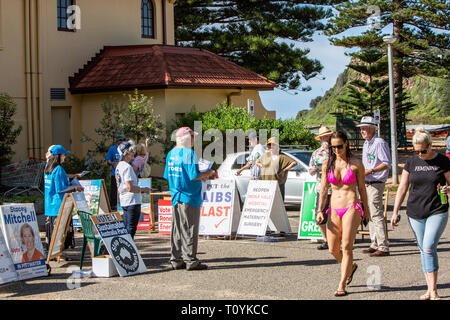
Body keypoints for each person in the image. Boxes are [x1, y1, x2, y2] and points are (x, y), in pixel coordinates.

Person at [391, 127, 450, 300]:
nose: (420, 154)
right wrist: (395, 212)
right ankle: (429, 288)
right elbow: (402, 188)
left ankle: (433, 291)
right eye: (416, 151)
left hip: (437, 210)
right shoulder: (411, 162)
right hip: (415, 212)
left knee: (428, 246)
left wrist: (448, 189)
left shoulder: (442, 161)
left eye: (423, 150)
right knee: (423, 250)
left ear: (430, 145)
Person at [316, 131, 370, 297]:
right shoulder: (327, 163)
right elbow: (324, 189)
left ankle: (341, 284)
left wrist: (366, 210)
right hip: (334, 208)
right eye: (333, 147)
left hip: (351, 206)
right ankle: (351, 267)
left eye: (339, 146)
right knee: (333, 249)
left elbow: (361, 188)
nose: (337, 150)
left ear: (346, 143)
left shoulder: (356, 164)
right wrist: (320, 209)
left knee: (346, 246)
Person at [164, 127, 214, 271]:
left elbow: (168, 175)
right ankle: (190, 260)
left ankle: (176, 259)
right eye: (192, 137)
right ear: (186, 138)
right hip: (189, 196)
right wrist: (207, 173)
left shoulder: (171, 154)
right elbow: (193, 175)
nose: (193, 140)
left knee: (177, 229)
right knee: (190, 228)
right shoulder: (189, 154)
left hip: (176, 195)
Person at [357, 116, 391, 257]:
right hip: (367, 182)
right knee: (369, 213)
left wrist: (370, 171)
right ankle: (374, 242)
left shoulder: (379, 143)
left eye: (365, 128)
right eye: (361, 129)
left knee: (376, 213)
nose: (362, 131)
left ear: (372, 128)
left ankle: (383, 245)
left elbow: (386, 163)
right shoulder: (367, 144)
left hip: (376, 182)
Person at [44, 145, 84, 257]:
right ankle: (58, 256)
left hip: (49, 205)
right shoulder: (58, 169)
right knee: (59, 233)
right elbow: (60, 188)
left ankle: (54, 255)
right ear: (58, 156)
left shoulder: (48, 168)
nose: (65, 157)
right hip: (59, 205)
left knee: (52, 233)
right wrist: (74, 187)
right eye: (63, 155)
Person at [115, 140, 150, 239]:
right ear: (126, 153)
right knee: (131, 228)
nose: (133, 153)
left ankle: (126, 250)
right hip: (132, 201)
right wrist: (143, 189)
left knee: (126, 228)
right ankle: (128, 250)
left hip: (124, 200)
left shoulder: (119, 166)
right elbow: (130, 187)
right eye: (131, 151)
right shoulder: (127, 167)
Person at [309, 126, 332, 250]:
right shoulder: (316, 153)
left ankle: (337, 240)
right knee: (320, 215)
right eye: (324, 136)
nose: (326, 138)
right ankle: (326, 240)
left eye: (327, 136)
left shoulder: (337, 151)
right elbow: (310, 170)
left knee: (336, 216)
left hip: (336, 188)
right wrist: (315, 169)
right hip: (322, 188)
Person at [256, 137, 297, 201]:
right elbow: (257, 162)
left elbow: (294, 163)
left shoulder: (282, 156)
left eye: (273, 145)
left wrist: (284, 170)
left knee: (278, 202)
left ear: (277, 146)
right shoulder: (265, 155)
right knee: (267, 201)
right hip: (266, 183)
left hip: (278, 183)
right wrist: (262, 166)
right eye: (269, 145)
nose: (271, 147)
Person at [106, 134, 126, 210]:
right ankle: (113, 204)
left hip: (123, 173)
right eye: (120, 140)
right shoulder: (112, 149)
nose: (122, 142)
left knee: (123, 188)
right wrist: (112, 163)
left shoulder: (124, 148)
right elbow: (108, 159)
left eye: (123, 140)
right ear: (117, 141)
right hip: (115, 173)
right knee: (114, 189)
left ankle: (122, 204)